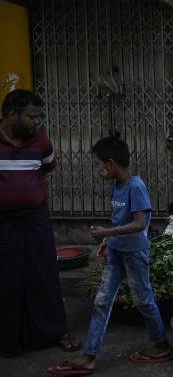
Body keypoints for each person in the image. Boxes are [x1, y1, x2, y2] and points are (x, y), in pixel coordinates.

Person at [48, 136, 170, 375]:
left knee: (144, 301)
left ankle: (162, 345)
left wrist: (107, 232)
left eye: (98, 164)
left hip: (134, 253)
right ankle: (89, 357)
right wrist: (108, 239)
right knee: (101, 301)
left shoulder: (136, 186)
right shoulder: (116, 185)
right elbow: (120, 220)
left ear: (111, 163)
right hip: (116, 251)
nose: (98, 168)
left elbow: (138, 224)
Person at [0, 89, 81, 357]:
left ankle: (55, 331)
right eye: (32, 116)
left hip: (35, 218)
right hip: (4, 222)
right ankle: (10, 339)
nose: (37, 122)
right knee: (8, 276)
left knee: (44, 273)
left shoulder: (41, 142)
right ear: (13, 114)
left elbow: (47, 168)